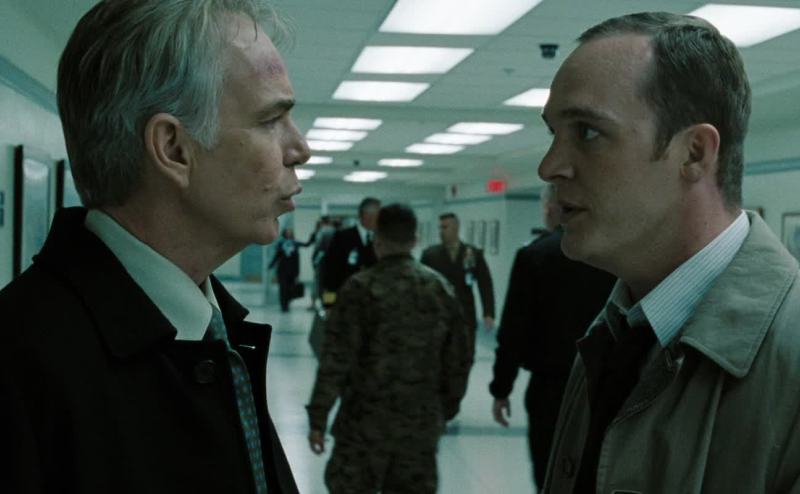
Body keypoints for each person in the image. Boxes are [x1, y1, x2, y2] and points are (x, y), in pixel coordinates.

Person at [0, 1, 310, 492]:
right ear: (173, 149)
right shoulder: (19, 367)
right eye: (271, 120)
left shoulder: (215, 333)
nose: (300, 149)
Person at [538, 12, 800, 493]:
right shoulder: (615, 332)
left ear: (694, 153)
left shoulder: (789, 360)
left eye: (588, 132)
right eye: (552, 133)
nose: (549, 166)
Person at [306, 204, 471, 494]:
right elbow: (459, 360)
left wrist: (318, 418)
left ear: (376, 240)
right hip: (418, 427)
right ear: (415, 240)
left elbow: (335, 361)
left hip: (362, 427)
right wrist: (442, 410)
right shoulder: (440, 290)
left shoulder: (359, 288)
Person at [489, 184, 614, 489]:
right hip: (605, 384)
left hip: (550, 386)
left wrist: (501, 388)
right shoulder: (612, 254)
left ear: (549, 209)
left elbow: (514, 329)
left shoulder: (534, 255)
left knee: (550, 467)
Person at [421, 212, 495, 360]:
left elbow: (485, 284)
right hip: (439, 313)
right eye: (440, 227)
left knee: (466, 356)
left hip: (465, 313)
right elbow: (421, 284)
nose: (441, 231)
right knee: (440, 357)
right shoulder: (430, 254)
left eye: (445, 227)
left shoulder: (472, 253)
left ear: (456, 228)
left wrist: (488, 312)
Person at [320, 197, 380, 307]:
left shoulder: (381, 239)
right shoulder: (342, 238)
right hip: (346, 302)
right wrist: (328, 304)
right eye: (379, 215)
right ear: (367, 216)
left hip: (373, 304)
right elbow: (329, 274)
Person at [269, 228, 307, 312]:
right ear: (284, 234)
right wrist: (271, 264)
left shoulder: (295, 244)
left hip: (292, 271)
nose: (289, 234)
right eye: (287, 233)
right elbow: (277, 256)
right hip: (282, 270)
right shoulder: (281, 243)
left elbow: (305, 246)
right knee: (283, 288)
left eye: (290, 233)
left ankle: (287, 303)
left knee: (290, 289)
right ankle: (283, 306)